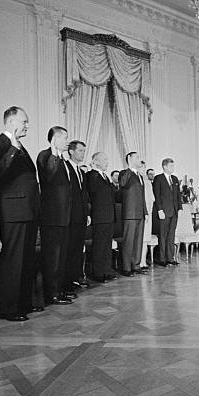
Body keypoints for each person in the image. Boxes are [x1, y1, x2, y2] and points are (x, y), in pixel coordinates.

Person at [0, 106, 40, 321]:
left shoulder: (21, 146)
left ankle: (24, 304)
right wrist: (14, 148)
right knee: (14, 260)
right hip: (12, 211)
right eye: (24, 121)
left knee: (26, 260)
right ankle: (8, 308)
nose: (27, 125)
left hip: (28, 211)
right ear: (11, 121)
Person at [36, 126, 74, 306]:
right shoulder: (45, 156)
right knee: (52, 256)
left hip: (64, 216)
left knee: (62, 256)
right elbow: (48, 176)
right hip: (51, 217)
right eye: (64, 138)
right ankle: (51, 294)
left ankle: (60, 290)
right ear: (54, 139)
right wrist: (53, 150)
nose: (67, 141)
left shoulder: (64, 161)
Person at [86, 152, 117, 282]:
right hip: (99, 216)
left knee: (106, 245)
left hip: (108, 216)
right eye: (104, 159)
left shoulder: (105, 176)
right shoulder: (91, 176)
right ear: (95, 161)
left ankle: (106, 271)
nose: (107, 162)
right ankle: (98, 273)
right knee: (99, 245)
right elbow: (89, 196)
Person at [66, 141, 91, 291]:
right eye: (80, 150)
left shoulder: (81, 172)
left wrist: (87, 213)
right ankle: (68, 280)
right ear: (71, 151)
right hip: (70, 216)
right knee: (70, 249)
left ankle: (75, 278)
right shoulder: (66, 168)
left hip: (81, 216)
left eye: (83, 151)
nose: (83, 153)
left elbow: (84, 195)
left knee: (77, 249)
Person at [119, 152, 148, 276]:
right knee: (129, 241)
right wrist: (130, 168)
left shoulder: (140, 176)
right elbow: (122, 183)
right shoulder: (124, 173)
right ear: (129, 159)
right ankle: (126, 268)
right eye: (136, 157)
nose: (139, 159)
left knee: (138, 241)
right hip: (129, 213)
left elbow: (142, 196)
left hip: (140, 213)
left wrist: (145, 212)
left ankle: (135, 265)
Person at [153, 158, 182, 266]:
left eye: (173, 166)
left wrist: (179, 208)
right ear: (164, 166)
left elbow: (178, 195)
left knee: (171, 235)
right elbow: (157, 196)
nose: (173, 168)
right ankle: (162, 259)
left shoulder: (174, 179)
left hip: (174, 212)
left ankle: (170, 258)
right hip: (163, 211)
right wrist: (159, 210)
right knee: (163, 235)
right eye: (171, 166)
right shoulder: (158, 178)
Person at [140, 161, 154, 268]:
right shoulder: (137, 180)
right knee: (140, 239)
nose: (142, 169)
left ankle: (143, 261)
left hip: (148, 213)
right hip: (140, 214)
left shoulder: (147, 182)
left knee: (145, 239)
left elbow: (152, 199)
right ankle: (138, 261)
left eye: (144, 167)